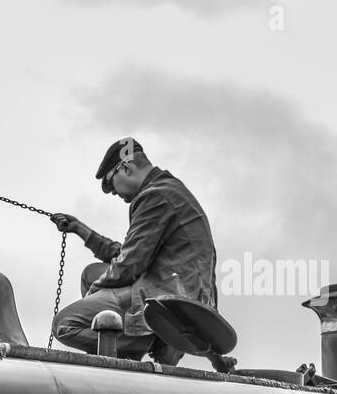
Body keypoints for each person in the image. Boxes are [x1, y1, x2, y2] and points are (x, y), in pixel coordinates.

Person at [49, 138, 218, 363]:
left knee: (64, 325)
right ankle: (135, 340)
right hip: (176, 288)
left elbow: (129, 265)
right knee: (91, 273)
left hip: (167, 297)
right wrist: (81, 230)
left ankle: (143, 341)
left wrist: (95, 292)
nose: (113, 193)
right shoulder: (168, 190)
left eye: (111, 184)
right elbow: (130, 253)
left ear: (126, 168)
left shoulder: (155, 196)